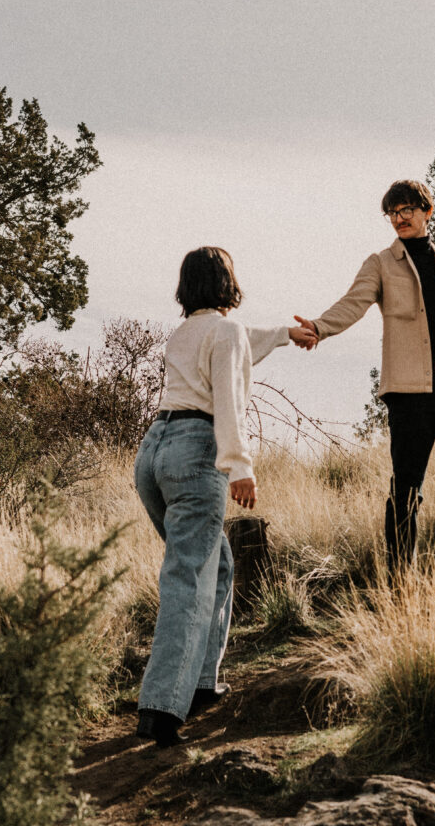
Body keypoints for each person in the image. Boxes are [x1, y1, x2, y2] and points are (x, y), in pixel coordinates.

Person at [134, 246, 317, 747]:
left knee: (214, 565)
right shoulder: (226, 331)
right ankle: (161, 708)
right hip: (197, 450)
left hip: (153, 453)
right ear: (228, 282)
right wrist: (239, 467)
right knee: (189, 577)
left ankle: (199, 684)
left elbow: (239, 345)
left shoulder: (186, 332)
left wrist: (284, 334)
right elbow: (229, 399)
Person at [295, 180, 435, 583]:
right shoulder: (381, 264)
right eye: (393, 212)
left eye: (408, 209)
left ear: (427, 211)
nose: (399, 218)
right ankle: (399, 583)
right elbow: (353, 303)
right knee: (407, 490)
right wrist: (320, 327)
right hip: (410, 396)